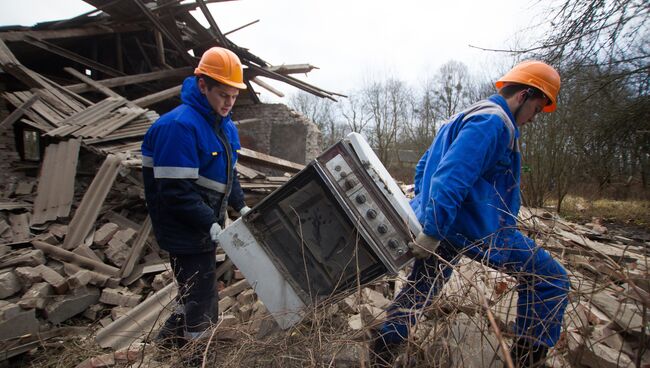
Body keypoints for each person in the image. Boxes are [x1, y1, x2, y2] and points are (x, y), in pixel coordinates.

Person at [373, 60, 571, 367]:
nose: (534, 118)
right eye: (537, 108)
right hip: (469, 229)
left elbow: (425, 166)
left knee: (420, 291)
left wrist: (429, 217)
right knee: (551, 278)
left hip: (446, 226)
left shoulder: (466, 115)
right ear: (524, 95)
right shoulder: (494, 123)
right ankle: (527, 362)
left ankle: (381, 352)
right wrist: (434, 229)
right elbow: (451, 176)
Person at [141, 47, 251, 350]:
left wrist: (240, 205)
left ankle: (164, 347)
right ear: (202, 85)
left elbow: (228, 175)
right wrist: (210, 224)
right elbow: (175, 192)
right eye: (222, 95)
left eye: (234, 96)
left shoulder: (223, 125)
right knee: (203, 297)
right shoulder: (178, 126)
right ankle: (197, 355)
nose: (229, 103)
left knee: (193, 293)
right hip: (181, 229)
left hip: (204, 224)